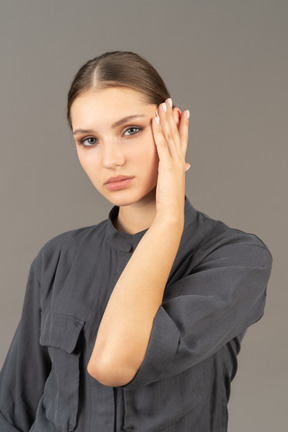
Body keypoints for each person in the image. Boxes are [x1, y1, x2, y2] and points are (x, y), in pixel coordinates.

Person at [0, 51, 272, 432]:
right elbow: (13, 409)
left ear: (173, 126)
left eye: (131, 130)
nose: (111, 159)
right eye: (89, 140)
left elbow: (112, 363)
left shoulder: (236, 258)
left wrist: (169, 219)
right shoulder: (57, 258)